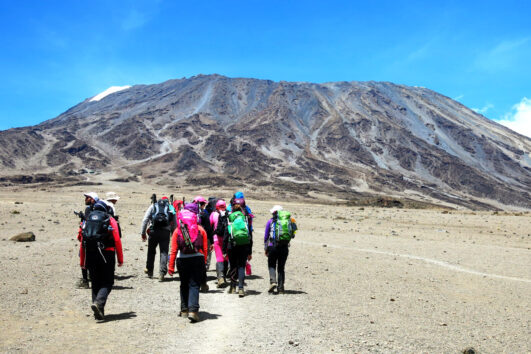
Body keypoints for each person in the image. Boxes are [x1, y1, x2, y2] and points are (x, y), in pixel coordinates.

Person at [79, 201, 123, 320]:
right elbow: (117, 240)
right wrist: (120, 258)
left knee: (95, 282)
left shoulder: (87, 220)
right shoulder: (109, 219)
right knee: (108, 282)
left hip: (90, 254)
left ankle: (98, 312)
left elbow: (81, 240)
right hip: (107, 254)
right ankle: (99, 304)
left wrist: (82, 261)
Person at [168, 203, 206, 323]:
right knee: (194, 284)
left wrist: (170, 266)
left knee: (184, 284)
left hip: (182, 259)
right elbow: (204, 249)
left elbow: (173, 249)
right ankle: (193, 311)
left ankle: (184, 310)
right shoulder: (200, 229)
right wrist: (203, 263)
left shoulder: (177, 230)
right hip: (197, 259)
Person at [140, 196, 176, 281]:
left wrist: (143, 232)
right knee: (164, 252)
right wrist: (173, 233)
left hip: (153, 231)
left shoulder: (153, 205)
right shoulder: (170, 207)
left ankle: (149, 271)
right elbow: (175, 222)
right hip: (165, 232)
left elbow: (145, 219)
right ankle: (162, 274)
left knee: (151, 251)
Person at [264, 205, 297, 294]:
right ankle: (281, 288)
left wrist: (266, 248)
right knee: (281, 267)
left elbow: (266, 236)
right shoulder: (290, 221)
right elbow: (293, 235)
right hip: (284, 246)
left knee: (271, 265)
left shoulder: (270, 221)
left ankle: (273, 282)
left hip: (272, 246)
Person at [223, 204, 252, 297]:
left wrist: (224, 250)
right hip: (244, 246)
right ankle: (241, 288)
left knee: (233, 266)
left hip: (232, 246)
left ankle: (232, 287)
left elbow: (225, 237)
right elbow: (250, 237)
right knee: (241, 267)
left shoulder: (230, 221)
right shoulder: (245, 220)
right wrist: (250, 252)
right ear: (241, 211)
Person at [76, 192, 99, 289]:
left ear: (92, 199)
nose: (85, 199)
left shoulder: (89, 209)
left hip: (88, 237)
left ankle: (85, 281)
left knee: (84, 258)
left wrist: (83, 217)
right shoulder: (100, 208)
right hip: (98, 237)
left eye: (87, 197)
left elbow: (89, 222)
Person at [209, 199, 229, 287]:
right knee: (225, 257)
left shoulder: (214, 214)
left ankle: (220, 278)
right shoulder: (229, 214)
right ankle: (224, 277)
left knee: (219, 258)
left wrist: (210, 241)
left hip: (217, 239)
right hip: (227, 239)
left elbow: (209, 226)